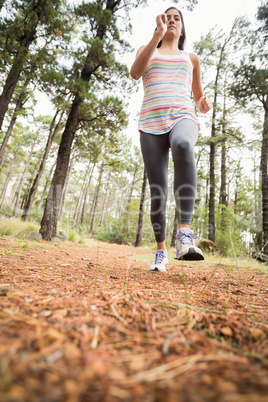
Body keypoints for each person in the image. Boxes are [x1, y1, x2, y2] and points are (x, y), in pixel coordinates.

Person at [130, 7, 212, 272]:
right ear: (161, 23)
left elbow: (198, 96)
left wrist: (202, 103)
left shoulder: (191, 58)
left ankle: (184, 234)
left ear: (183, 26)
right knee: (158, 192)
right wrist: (157, 35)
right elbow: (135, 72)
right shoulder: (148, 48)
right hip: (151, 122)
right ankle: (161, 251)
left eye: (177, 17)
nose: (172, 20)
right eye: (168, 17)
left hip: (182, 116)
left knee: (184, 145)